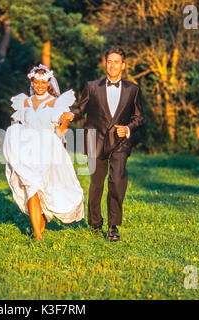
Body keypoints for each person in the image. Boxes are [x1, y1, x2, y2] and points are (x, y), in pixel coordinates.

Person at [60, 47, 144, 241]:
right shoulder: (92, 86)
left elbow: (139, 118)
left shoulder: (133, 90)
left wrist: (128, 128)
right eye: (109, 61)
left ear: (123, 65)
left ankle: (113, 226)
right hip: (95, 142)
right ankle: (95, 223)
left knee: (117, 181)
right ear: (105, 63)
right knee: (96, 185)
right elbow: (81, 108)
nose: (112, 65)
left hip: (120, 143)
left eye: (116, 61)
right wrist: (71, 114)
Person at [2, 64, 84, 241]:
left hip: (48, 150)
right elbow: (20, 125)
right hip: (27, 150)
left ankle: (42, 217)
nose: (39, 85)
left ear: (48, 83)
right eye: (36, 82)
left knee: (45, 188)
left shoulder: (57, 103)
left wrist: (64, 121)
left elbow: (61, 132)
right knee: (31, 187)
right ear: (32, 82)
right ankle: (37, 234)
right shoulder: (24, 102)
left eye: (43, 82)